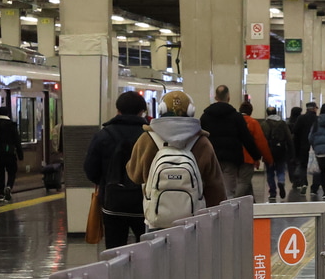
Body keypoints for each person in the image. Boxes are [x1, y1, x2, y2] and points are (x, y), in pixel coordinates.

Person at [126, 90, 226, 213]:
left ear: (161, 109)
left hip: (156, 214)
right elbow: (215, 186)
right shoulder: (202, 142)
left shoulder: (147, 139)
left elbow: (135, 175)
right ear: (191, 111)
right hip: (194, 216)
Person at [83, 91, 149, 248]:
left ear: (118, 110)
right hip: (144, 203)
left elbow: (90, 169)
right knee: (147, 247)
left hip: (112, 202)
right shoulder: (149, 136)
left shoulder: (103, 135)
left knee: (115, 249)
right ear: (142, 111)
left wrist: (105, 181)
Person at [200, 85, 261, 197]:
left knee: (211, 190)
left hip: (212, 158)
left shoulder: (205, 117)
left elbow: (200, 137)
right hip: (230, 159)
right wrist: (256, 156)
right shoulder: (236, 117)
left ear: (215, 97)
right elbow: (246, 138)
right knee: (229, 191)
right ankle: (227, 207)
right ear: (228, 97)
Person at [237, 101, 273, 200]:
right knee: (244, 182)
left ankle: (252, 204)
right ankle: (232, 202)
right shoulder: (253, 123)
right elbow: (261, 142)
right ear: (251, 112)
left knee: (245, 183)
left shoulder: (234, 121)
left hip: (233, 157)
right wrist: (268, 159)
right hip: (248, 158)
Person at [261, 106, 293, 202]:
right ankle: (281, 182)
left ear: (267, 113)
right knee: (281, 169)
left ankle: (272, 193)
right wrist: (291, 151)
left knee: (270, 172)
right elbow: (289, 137)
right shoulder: (282, 123)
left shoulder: (264, 124)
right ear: (276, 112)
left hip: (269, 150)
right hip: (281, 150)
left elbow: (261, 139)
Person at [0, 106, 23, 203]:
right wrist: (20, 155)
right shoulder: (11, 125)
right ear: (7, 114)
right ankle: (9, 186)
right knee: (12, 171)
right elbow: (17, 141)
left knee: (0, 172)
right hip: (10, 152)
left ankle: (1, 194)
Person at [290, 101, 319, 194]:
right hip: (315, 146)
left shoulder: (301, 118)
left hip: (303, 146)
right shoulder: (317, 119)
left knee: (303, 165)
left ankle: (304, 183)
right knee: (316, 166)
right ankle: (314, 187)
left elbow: (295, 130)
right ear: (314, 109)